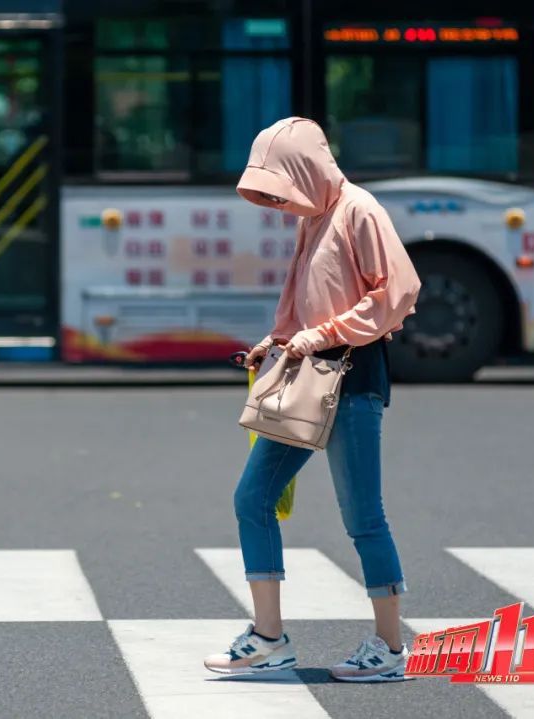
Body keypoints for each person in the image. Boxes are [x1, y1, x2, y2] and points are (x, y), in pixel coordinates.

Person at [204, 117, 422, 682]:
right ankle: (268, 638)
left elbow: (399, 292)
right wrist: (277, 340)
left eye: (282, 189)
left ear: (307, 171)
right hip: (306, 378)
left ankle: (390, 649)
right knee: (253, 498)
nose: (279, 203)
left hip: (353, 379)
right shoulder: (316, 215)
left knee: (363, 517)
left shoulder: (360, 210)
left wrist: (321, 334)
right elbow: (303, 297)